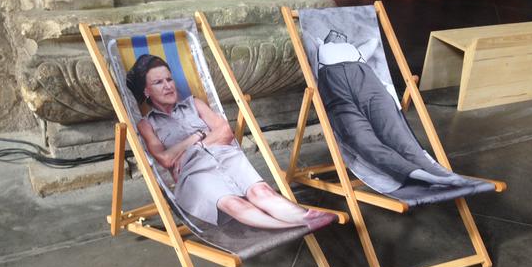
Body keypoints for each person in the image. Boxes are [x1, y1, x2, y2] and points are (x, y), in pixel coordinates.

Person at [126, 54, 336, 230]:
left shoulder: (195, 104)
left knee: (261, 192)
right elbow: (164, 159)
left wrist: (195, 145)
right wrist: (195, 136)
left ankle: (305, 217)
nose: (168, 86)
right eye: (158, 82)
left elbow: (226, 131)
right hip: (194, 173)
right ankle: (293, 228)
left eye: (169, 79)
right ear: (146, 91)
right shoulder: (147, 124)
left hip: (225, 156)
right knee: (235, 204)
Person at [316, 31, 469, 187]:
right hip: (339, 95)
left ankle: (439, 173)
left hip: (370, 88)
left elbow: (373, 39)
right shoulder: (319, 46)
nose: (338, 35)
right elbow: (306, 36)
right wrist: (324, 43)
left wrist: (351, 44)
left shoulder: (358, 51)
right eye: (333, 33)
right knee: (363, 142)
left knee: (398, 135)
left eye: (341, 34)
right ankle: (429, 179)